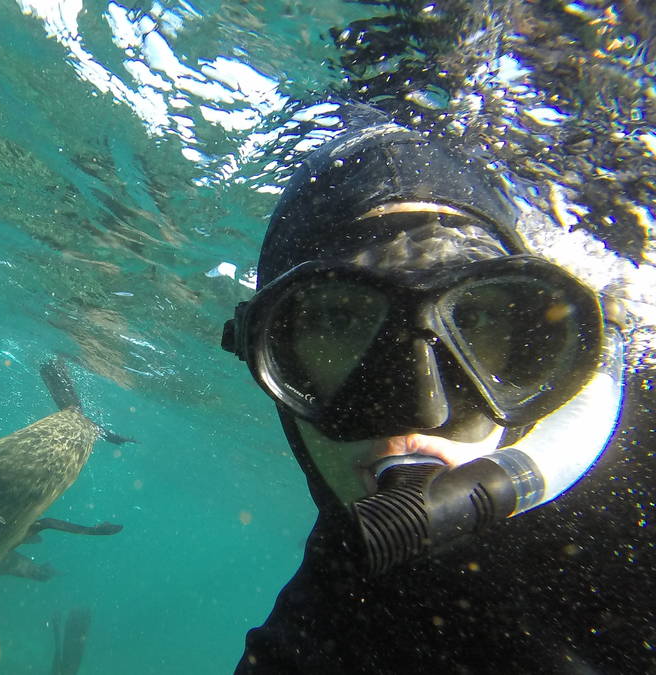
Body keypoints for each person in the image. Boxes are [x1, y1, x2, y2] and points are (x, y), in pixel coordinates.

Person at [221, 102, 630, 672]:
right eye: (338, 320)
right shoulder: (335, 615)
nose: (422, 408)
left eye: (479, 320)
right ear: (269, 357)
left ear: (538, 340)